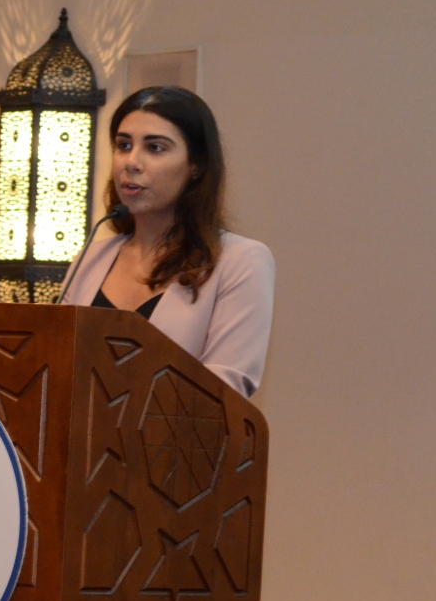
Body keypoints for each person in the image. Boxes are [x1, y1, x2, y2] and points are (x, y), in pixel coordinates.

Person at [59, 86, 275, 398]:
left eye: (155, 148)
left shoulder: (241, 261)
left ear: (196, 166)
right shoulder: (92, 256)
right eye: (123, 145)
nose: (131, 162)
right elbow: (56, 362)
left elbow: (222, 392)